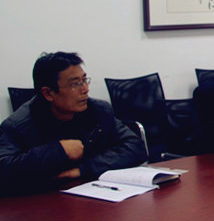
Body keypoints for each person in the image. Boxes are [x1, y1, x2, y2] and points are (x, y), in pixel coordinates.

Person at [0, 52, 147, 196]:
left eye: (84, 80)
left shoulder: (99, 111)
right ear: (48, 93)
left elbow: (135, 146)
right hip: (42, 201)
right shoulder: (17, 126)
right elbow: (5, 170)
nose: (85, 89)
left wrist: (83, 169)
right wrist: (58, 151)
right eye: (75, 84)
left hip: (93, 194)